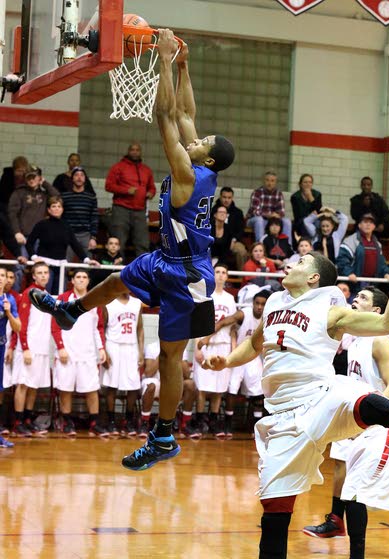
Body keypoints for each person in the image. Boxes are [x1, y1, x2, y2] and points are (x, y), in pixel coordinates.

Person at [28, 31, 235, 470]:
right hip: (165, 258)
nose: (194, 139)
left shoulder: (187, 172)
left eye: (201, 142)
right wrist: (182, 66)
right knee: (117, 279)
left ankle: (163, 436)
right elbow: (185, 111)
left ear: (208, 159)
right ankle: (71, 311)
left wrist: (160, 61)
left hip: (188, 275)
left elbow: (164, 116)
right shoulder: (201, 165)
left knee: (169, 357)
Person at [202, 248, 389, 559]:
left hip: (320, 396)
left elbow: (388, 323)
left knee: (363, 401)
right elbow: (254, 344)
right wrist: (227, 361)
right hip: (282, 416)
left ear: (313, 277)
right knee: (274, 511)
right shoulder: (272, 303)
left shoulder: (329, 309)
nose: (289, 263)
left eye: (299, 262)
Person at [303, 286, 389, 559]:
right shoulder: (355, 340)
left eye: (362, 298)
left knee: (357, 486)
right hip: (359, 413)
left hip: (387, 414)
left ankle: (356, 550)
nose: (354, 300)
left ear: (376, 311)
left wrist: (369, 420)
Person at [199, 289, 270, 438]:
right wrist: (207, 337)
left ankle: (254, 427)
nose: (259, 306)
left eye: (263, 304)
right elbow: (223, 322)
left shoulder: (268, 318)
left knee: (257, 390)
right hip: (238, 354)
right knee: (232, 388)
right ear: (252, 304)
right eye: (257, 303)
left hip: (254, 357)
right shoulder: (243, 314)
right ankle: (227, 423)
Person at [52, 269, 108, 438]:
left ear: (88, 281)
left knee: (91, 389)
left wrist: (101, 348)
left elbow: (98, 327)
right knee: (66, 389)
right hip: (67, 353)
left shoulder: (95, 300)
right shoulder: (63, 299)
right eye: (78, 277)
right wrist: (60, 347)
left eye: (84, 277)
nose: (81, 280)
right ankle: (67, 422)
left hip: (88, 353)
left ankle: (94, 422)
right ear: (73, 281)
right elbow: (55, 325)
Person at [189, 263, 237, 439]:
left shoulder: (230, 299)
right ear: (212, 274)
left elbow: (232, 328)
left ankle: (213, 421)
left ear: (227, 277)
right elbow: (195, 324)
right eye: (217, 272)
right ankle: (200, 421)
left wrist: (233, 348)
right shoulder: (204, 296)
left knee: (219, 388)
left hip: (223, 346)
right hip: (206, 346)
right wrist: (197, 347)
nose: (220, 275)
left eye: (224, 272)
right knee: (202, 388)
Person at [26, 196, 99, 293]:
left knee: (59, 296)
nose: (56, 209)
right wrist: (34, 257)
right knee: (45, 296)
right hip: (45, 265)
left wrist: (87, 260)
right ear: (49, 209)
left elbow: (75, 245)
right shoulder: (41, 224)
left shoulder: (66, 226)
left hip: (61, 267)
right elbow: (29, 243)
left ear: (62, 209)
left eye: (59, 206)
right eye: (54, 206)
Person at [12, 262, 52, 437]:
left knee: (34, 386)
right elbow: (22, 323)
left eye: (46, 273)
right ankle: (17, 421)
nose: (43, 276)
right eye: (40, 273)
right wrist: (25, 347)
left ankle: (27, 420)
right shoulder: (29, 293)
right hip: (28, 348)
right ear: (34, 276)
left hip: (42, 348)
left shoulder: (47, 295)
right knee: (23, 385)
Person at [101, 292, 144, 437]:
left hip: (131, 347)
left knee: (133, 386)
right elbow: (101, 328)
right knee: (111, 386)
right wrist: (104, 351)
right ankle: (111, 421)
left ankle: (129, 420)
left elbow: (140, 329)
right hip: (113, 346)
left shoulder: (137, 303)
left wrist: (141, 351)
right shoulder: (108, 303)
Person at [105, 143, 156, 256]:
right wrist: (126, 190)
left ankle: (142, 271)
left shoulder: (146, 170)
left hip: (140, 211)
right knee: (118, 242)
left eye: (137, 150)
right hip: (121, 209)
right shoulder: (118, 167)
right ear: (128, 151)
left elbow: (152, 187)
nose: (135, 152)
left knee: (143, 242)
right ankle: (118, 270)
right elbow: (108, 186)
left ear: (140, 152)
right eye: (132, 149)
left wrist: (151, 193)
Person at [139, 339, 195, 440]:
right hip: (156, 380)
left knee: (190, 384)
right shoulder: (152, 347)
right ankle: (144, 422)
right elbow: (148, 373)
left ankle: (185, 424)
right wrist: (163, 352)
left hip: (173, 382)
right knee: (151, 385)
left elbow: (187, 374)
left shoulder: (182, 347)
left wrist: (177, 354)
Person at [336, 212, 389, 289]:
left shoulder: (378, 244)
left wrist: (386, 273)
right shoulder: (350, 241)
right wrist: (349, 273)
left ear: (374, 226)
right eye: (365, 222)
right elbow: (342, 260)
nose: (368, 225)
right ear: (359, 225)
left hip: (373, 285)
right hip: (354, 285)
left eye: (371, 222)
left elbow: (382, 263)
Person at [350, 176, 389, 253]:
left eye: (368, 185)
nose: (366, 187)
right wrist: (363, 205)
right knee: (357, 231)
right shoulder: (356, 200)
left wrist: (383, 224)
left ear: (371, 186)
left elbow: (387, 214)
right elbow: (354, 215)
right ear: (361, 186)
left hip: (378, 227)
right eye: (364, 185)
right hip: (364, 228)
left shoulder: (378, 199)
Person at [0, 266, 20, 448]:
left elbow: (18, 327)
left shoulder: (10, 300)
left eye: (3, 276)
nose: (0, 278)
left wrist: (7, 312)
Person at [61, 167, 99, 260]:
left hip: (86, 235)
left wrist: (93, 238)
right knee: (64, 265)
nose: (79, 177)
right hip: (68, 234)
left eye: (82, 175)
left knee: (86, 265)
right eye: (76, 175)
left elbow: (94, 218)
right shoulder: (64, 196)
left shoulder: (91, 198)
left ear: (85, 179)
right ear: (72, 178)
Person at [246, 171, 292, 242]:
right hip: (254, 220)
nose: (269, 183)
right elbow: (255, 212)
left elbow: (281, 213)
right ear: (263, 181)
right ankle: (260, 246)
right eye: (267, 180)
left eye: (272, 181)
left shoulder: (278, 194)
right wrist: (269, 215)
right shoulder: (257, 192)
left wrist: (275, 215)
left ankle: (287, 247)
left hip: (271, 221)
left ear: (275, 182)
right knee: (259, 220)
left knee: (287, 221)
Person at [211, 186, 248, 270]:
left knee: (241, 252)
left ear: (232, 198)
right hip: (214, 241)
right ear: (220, 197)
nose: (226, 200)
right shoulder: (212, 211)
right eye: (224, 197)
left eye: (229, 197)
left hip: (233, 241)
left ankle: (242, 279)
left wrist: (234, 240)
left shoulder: (238, 213)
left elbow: (241, 230)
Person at [290, 173, 322, 238]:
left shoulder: (317, 194)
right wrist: (310, 215)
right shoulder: (295, 197)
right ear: (300, 184)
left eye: (310, 182)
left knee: (319, 223)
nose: (308, 184)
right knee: (304, 222)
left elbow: (319, 211)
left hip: (315, 219)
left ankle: (317, 242)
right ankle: (308, 242)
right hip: (301, 220)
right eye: (305, 182)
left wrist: (311, 197)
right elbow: (298, 215)